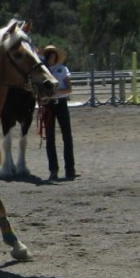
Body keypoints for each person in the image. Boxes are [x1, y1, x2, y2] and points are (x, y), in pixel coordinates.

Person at [40, 44, 77, 181]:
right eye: (49, 55)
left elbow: (68, 89)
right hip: (48, 106)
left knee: (67, 136)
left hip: (60, 103)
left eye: (53, 55)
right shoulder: (42, 71)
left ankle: (70, 168)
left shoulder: (62, 69)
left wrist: (55, 93)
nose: (51, 58)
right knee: (50, 138)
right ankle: (53, 169)